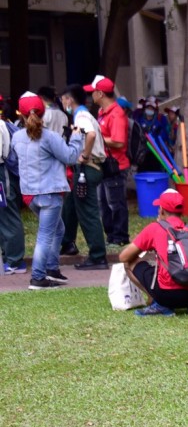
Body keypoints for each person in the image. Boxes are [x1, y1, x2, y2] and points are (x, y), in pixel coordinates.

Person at [10, 92, 83, 290]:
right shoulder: (49, 137)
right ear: (43, 113)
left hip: (29, 194)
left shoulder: (16, 137)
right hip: (50, 193)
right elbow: (70, 157)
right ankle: (38, 277)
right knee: (45, 235)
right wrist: (76, 137)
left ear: (21, 114)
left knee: (57, 229)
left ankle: (51, 268)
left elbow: (15, 162)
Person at [118, 188, 188, 315]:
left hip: (168, 295)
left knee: (129, 263)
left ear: (161, 210)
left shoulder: (155, 228)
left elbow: (124, 257)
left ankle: (159, 303)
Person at [59, 84, 109, 270]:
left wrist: (84, 155)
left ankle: (98, 256)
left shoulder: (81, 116)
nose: (62, 103)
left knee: (88, 213)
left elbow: (91, 135)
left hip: (87, 168)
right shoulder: (84, 114)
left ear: (69, 99)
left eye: (63, 99)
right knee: (71, 203)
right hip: (87, 169)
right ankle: (67, 242)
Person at [85, 75, 130, 250]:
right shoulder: (103, 113)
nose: (91, 96)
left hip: (116, 166)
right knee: (104, 203)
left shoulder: (116, 114)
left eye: (93, 92)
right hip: (106, 165)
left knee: (115, 203)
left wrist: (97, 138)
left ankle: (120, 237)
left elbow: (119, 141)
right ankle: (111, 236)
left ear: (101, 94)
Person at [0, 97, 27, 276]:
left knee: (8, 213)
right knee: (4, 215)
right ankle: (9, 256)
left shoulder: (1, 125)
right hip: (4, 174)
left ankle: (16, 260)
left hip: (3, 174)